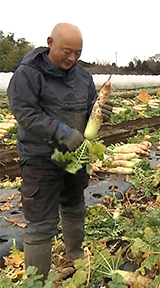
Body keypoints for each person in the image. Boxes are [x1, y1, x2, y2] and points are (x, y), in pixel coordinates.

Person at [7, 23, 113, 280]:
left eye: (78, 52)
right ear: (50, 43)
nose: (73, 58)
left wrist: (99, 116)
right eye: (67, 51)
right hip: (40, 157)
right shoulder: (28, 74)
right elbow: (24, 112)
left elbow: (88, 109)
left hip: (74, 157)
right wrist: (60, 131)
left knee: (75, 205)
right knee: (41, 223)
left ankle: (74, 256)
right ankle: (37, 281)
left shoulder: (83, 76)